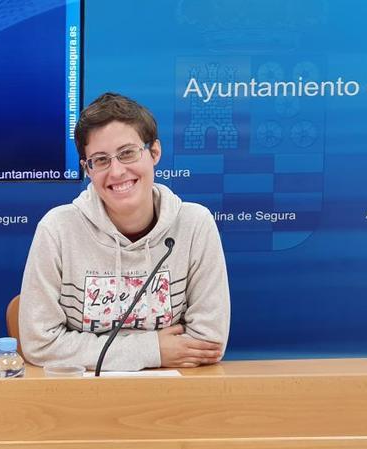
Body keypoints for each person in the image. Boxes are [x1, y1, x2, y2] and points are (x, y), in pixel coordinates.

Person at [19, 93, 229, 371]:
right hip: (80, 400)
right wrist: (152, 350)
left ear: (154, 153)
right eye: (101, 160)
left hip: (174, 398)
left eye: (127, 153)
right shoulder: (57, 229)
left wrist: (87, 352)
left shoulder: (195, 224)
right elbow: (40, 345)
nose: (117, 171)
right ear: (87, 169)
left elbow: (208, 343)